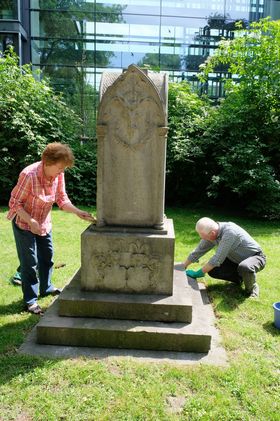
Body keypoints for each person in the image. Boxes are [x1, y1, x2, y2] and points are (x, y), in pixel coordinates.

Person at [7, 142, 96, 315]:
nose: (62, 172)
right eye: (60, 168)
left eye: (64, 169)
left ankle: (46, 288)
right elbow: (14, 203)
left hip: (43, 223)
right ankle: (30, 300)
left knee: (47, 257)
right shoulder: (29, 175)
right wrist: (31, 221)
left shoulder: (58, 176)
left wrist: (78, 212)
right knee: (29, 263)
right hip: (24, 223)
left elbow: (61, 199)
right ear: (47, 163)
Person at [183, 217, 266, 298]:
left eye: (202, 236)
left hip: (255, 257)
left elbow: (217, 259)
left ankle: (252, 289)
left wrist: (198, 273)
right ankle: (240, 278)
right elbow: (199, 250)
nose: (202, 238)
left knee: (245, 267)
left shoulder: (230, 233)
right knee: (212, 270)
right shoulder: (213, 233)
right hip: (235, 259)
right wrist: (183, 266)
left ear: (212, 233)